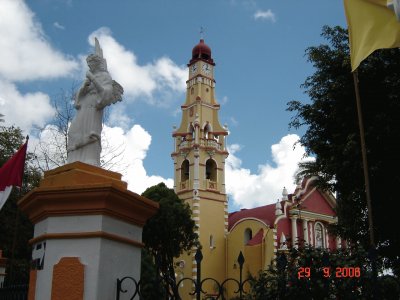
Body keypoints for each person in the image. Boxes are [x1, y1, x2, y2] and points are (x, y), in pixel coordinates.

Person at [67, 38, 123, 166]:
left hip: (94, 106)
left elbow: (106, 93)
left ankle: (90, 159)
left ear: (97, 64)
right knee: (73, 131)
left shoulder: (105, 76)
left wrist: (92, 79)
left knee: (90, 132)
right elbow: (78, 98)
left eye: (91, 64)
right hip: (84, 105)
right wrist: (84, 87)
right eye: (89, 65)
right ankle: (74, 159)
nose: (90, 67)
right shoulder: (89, 77)